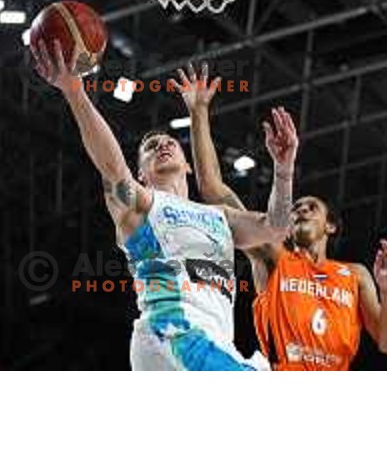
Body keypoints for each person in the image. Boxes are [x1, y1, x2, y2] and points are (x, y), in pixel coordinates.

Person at [31, 41, 289, 371]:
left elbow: (276, 227)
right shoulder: (141, 205)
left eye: (170, 142)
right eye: (151, 147)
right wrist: (75, 93)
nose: (163, 144)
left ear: (189, 165)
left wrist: (283, 171)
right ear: (141, 172)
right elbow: (111, 168)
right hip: (171, 334)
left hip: (214, 345)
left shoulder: (220, 217)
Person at [178, 63, 387, 370]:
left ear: (331, 225)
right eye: (296, 207)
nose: (300, 209)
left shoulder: (355, 275)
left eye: (310, 207)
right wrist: (198, 111)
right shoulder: (272, 257)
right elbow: (213, 188)